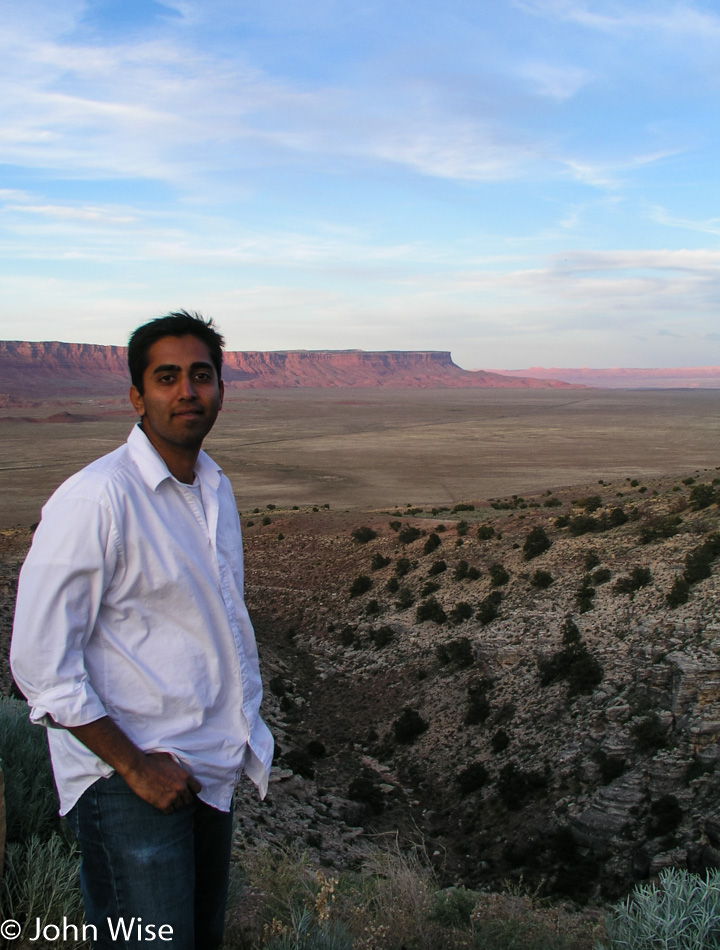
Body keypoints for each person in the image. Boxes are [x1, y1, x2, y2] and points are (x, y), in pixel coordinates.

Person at [10, 311, 273, 949]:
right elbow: (39, 665)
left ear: (220, 391)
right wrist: (134, 766)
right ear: (136, 395)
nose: (188, 391)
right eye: (167, 377)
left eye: (202, 376)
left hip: (207, 769)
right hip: (129, 781)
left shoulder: (215, 489)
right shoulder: (96, 499)